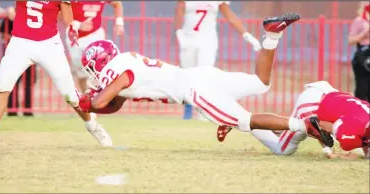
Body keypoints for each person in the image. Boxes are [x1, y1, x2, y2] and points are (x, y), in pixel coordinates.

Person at [78, 13, 323, 140]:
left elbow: (100, 103)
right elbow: (114, 105)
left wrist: (85, 102)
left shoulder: (119, 73)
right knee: (260, 84)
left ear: (101, 62)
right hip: (201, 74)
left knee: (244, 121)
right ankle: (271, 36)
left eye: (93, 68)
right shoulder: (125, 65)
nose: (94, 74)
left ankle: (303, 125)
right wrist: (93, 101)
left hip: (194, 91)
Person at [0, 1, 112, 147]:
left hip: (49, 44)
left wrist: (73, 26)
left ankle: (93, 126)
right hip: (20, 42)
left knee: (71, 95)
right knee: (3, 86)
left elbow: (67, 18)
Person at [227, 81, 369, 160]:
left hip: (325, 92)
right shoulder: (356, 129)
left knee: (292, 128)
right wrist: (330, 152)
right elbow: (320, 124)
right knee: (283, 149)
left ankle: (241, 118)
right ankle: (238, 118)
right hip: (314, 104)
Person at [174, 1, 262, 120]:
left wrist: (247, 35)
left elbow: (230, 17)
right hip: (189, 39)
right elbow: (179, 12)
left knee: (205, 75)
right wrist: (179, 33)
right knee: (188, 75)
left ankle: (203, 112)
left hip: (208, 40)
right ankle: (188, 110)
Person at [66, 1, 124, 93]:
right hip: (74, 36)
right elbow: (60, 12)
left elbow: (117, 3)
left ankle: (104, 96)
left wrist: (119, 23)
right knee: (81, 73)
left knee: (102, 66)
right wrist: (78, 25)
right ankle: (86, 97)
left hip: (95, 34)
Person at [0, 6, 36, 116]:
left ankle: (28, 110)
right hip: (13, 56)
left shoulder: (34, 16)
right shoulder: (10, 15)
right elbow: (3, 33)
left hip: (30, 56)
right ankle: (12, 110)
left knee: (29, 83)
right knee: (12, 83)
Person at [348, 1, 370, 102]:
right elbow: (351, 40)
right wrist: (364, 33)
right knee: (361, 90)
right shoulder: (359, 20)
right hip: (363, 57)